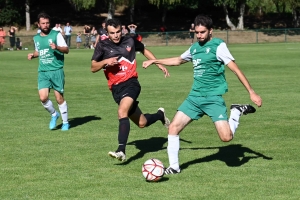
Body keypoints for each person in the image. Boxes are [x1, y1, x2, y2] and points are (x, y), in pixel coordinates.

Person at [142, 15, 263, 174]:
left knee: (226, 138)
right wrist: (155, 61)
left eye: (202, 32)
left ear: (210, 31)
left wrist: (251, 92)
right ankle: (174, 167)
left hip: (213, 99)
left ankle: (236, 112)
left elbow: (236, 69)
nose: (199, 35)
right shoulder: (194, 48)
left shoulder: (218, 46)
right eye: (197, 32)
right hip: (194, 98)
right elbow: (178, 60)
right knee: (173, 128)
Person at [90, 18, 171, 162]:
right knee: (142, 123)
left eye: (118, 32)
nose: (116, 35)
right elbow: (93, 67)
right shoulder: (102, 46)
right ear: (107, 33)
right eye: (112, 33)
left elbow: (144, 50)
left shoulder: (130, 41)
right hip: (116, 89)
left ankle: (121, 150)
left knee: (122, 112)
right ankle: (160, 115)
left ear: (122, 30)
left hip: (131, 84)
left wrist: (158, 63)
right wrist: (105, 62)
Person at [27, 12, 70, 131]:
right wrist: (33, 55)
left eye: (47, 23)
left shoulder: (56, 34)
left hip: (56, 70)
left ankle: (65, 122)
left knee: (59, 98)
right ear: (38, 24)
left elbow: (66, 50)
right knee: (43, 97)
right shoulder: (36, 38)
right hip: (43, 71)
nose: (45, 25)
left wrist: (57, 47)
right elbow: (39, 51)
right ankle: (54, 114)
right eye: (43, 23)